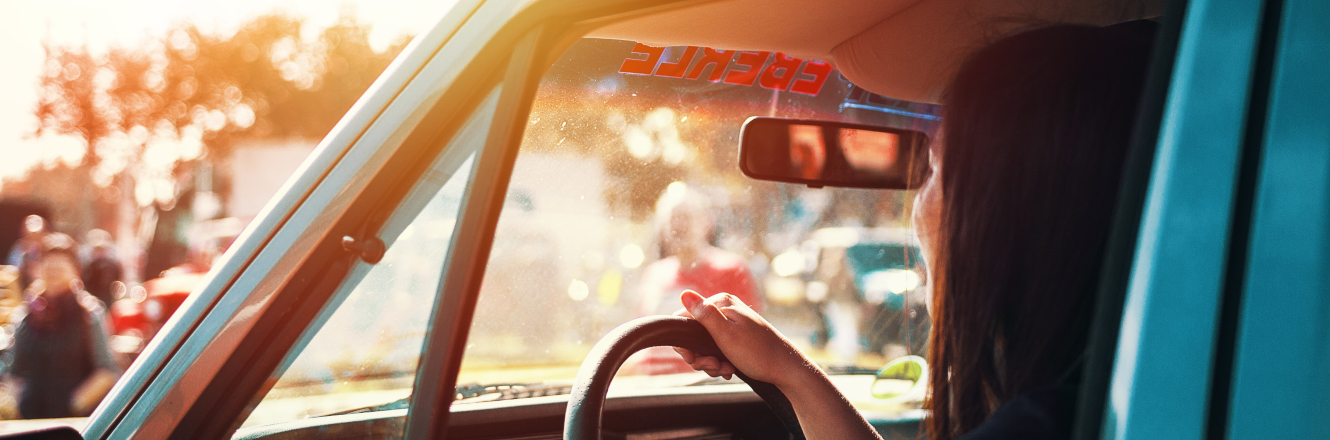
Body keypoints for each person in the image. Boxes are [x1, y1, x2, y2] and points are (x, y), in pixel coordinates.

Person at [673, 23, 1155, 440]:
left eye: (935, 168)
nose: (916, 205)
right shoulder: (1110, 396)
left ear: (1003, 214)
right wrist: (787, 371)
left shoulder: (1041, 423)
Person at [7, 233, 122, 419]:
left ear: (76, 270)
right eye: (48, 265)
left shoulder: (89, 313)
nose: (53, 271)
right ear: (37, 269)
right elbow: (13, 371)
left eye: (60, 266)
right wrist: (20, 404)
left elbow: (107, 371)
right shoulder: (26, 315)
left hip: (73, 425)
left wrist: (73, 405)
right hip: (30, 422)